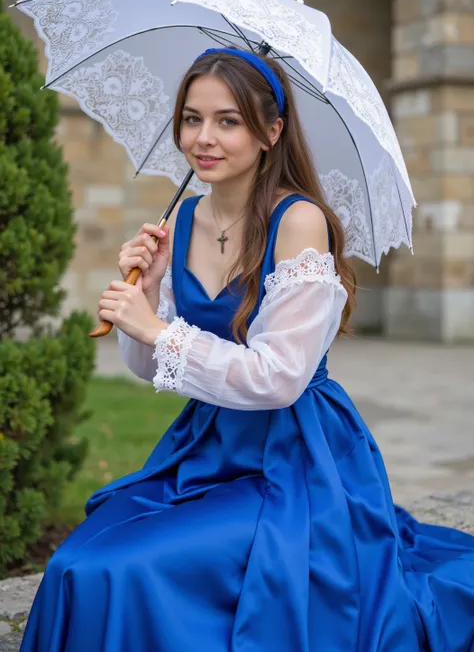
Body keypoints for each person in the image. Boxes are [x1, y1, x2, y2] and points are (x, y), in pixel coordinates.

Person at [21, 48, 474, 652]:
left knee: (115, 569)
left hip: (294, 462)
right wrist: (150, 297)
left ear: (272, 131)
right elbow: (156, 371)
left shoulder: (299, 222)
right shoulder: (180, 220)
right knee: (75, 562)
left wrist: (155, 329)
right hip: (206, 450)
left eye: (228, 121)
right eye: (191, 118)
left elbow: (279, 379)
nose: (203, 139)